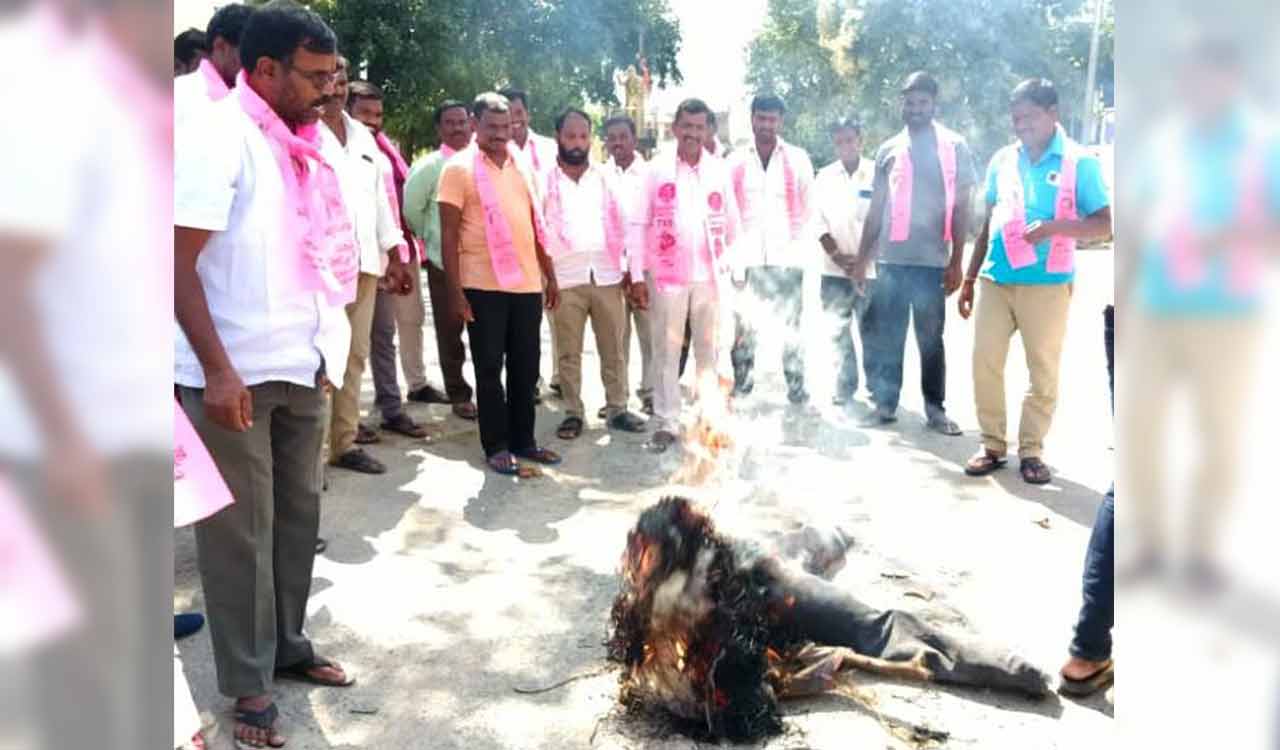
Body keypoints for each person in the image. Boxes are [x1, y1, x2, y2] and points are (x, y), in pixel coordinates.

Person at [174, 3, 358, 746]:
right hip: (233, 370)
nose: (328, 90)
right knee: (239, 536)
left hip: (297, 360)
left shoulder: (304, 143)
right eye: (314, 77)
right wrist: (217, 373)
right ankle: (246, 684)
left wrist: (321, 353)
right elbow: (175, 263)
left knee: (294, 521)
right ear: (266, 70)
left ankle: (287, 646)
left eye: (332, 75)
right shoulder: (218, 137)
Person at [958, 79, 1112, 484]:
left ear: (1053, 114)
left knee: (1041, 371)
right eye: (1015, 119)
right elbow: (988, 222)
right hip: (996, 277)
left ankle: (1031, 451)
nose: (1020, 125)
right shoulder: (1002, 161)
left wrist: (1052, 228)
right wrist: (971, 278)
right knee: (984, 364)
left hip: (1047, 283)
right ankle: (992, 444)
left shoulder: (1080, 163)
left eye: (1028, 117)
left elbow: (1105, 225)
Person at [438, 92, 563, 475]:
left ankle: (524, 440)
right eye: (490, 127)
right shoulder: (458, 169)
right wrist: (455, 292)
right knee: (489, 369)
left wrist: (550, 274)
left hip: (526, 285)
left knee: (527, 368)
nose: (498, 134)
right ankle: (496, 445)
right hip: (482, 286)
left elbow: (534, 224)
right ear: (475, 126)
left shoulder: (521, 166)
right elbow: (447, 236)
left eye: (504, 126)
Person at [854, 71, 977, 434]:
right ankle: (886, 404)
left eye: (923, 102)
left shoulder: (954, 147)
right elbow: (876, 208)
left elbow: (962, 207)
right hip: (891, 260)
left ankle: (935, 409)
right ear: (901, 104)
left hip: (931, 262)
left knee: (930, 339)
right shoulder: (888, 149)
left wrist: (956, 261)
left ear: (934, 105)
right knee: (887, 336)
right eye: (909, 102)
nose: (916, 109)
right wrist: (862, 259)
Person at [320, 59, 416, 475]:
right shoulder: (300, 131)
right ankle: (310, 459)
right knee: (319, 361)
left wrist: (395, 253)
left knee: (353, 356)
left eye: (341, 81)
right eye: (328, 79)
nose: (335, 88)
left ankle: (343, 443)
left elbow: (380, 201)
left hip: (365, 265)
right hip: (320, 270)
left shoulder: (362, 137)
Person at [635, 98, 741, 453]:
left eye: (700, 127)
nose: (693, 133)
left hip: (709, 276)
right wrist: (635, 274)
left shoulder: (719, 170)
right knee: (665, 351)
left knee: (708, 351)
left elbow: (732, 224)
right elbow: (638, 224)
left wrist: (733, 267)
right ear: (675, 128)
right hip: (667, 278)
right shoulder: (656, 169)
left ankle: (708, 419)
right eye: (687, 126)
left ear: (708, 130)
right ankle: (666, 421)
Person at [345, 81, 445, 437]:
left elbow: (389, 207)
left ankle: (391, 408)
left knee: (382, 337)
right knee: (347, 347)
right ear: (347, 107)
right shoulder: (336, 146)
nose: (373, 121)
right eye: (365, 113)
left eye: (378, 114)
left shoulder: (384, 152)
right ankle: (345, 424)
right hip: (347, 263)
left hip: (383, 258)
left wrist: (396, 256)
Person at [542, 108, 648, 440]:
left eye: (583, 136)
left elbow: (626, 227)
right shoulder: (544, 181)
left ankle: (617, 408)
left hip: (606, 276)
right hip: (565, 279)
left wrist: (632, 271)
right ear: (559, 137)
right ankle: (573, 412)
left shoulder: (605, 178)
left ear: (590, 139)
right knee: (568, 352)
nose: (577, 143)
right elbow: (538, 231)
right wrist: (547, 279)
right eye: (570, 136)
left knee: (614, 348)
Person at [727, 94, 816, 404]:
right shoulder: (735, 160)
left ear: (781, 121)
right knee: (743, 327)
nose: (766, 125)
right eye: (761, 118)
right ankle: (742, 384)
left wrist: (797, 252)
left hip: (786, 260)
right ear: (752, 118)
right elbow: (727, 215)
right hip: (747, 261)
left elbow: (808, 209)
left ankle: (796, 386)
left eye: (773, 119)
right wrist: (734, 264)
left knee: (791, 326)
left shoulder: (798, 158)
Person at [402, 100, 480, 420]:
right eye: (450, 122)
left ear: (472, 124)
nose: (458, 128)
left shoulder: (482, 162)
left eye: (462, 121)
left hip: (481, 264)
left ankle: (491, 390)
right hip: (443, 263)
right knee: (450, 331)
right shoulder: (429, 167)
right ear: (439, 129)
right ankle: (458, 392)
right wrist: (431, 238)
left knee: (486, 331)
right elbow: (412, 211)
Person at [499, 88, 561, 399]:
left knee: (560, 314)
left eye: (519, 112)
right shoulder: (494, 152)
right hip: (515, 249)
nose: (515, 119)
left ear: (527, 113)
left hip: (555, 246)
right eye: (508, 114)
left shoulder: (551, 148)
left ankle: (562, 376)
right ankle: (528, 381)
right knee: (524, 321)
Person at [815, 117, 877, 406]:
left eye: (850, 140)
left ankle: (879, 389)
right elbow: (817, 221)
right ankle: (845, 386)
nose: (845, 146)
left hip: (871, 270)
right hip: (833, 270)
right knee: (838, 330)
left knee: (872, 330)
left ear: (860, 140)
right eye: (839, 141)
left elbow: (883, 220)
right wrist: (838, 257)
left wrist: (863, 262)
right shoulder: (824, 176)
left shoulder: (877, 173)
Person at [603, 114, 655, 415]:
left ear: (634, 140)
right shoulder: (599, 175)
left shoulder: (650, 175)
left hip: (646, 267)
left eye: (623, 136)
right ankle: (617, 397)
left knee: (649, 334)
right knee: (615, 336)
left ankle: (650, 392)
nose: (618, 142)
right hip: (611, 268)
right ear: (606, 142)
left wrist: (636, 267)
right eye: (612, 137)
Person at [173, 3, 253, 118]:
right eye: (249, 51)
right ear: (221, 46)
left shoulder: (246, 94)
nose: (255, 61)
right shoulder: (182, 96)